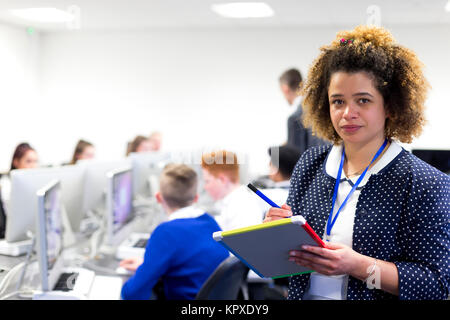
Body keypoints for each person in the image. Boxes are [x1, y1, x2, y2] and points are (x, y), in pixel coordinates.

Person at [265, 25, 449, 300]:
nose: (348, 113)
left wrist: (360, 267)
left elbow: (435, 284)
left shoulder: (425, 183)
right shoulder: (310, 165)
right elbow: (284, 269)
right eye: (337, 101)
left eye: (363, 100)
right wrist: (275, 233)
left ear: (389, 106)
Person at [119, 164, 229, 300]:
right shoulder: (210, 222)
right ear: (196, 198)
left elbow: (132, 294)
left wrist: (143, 273)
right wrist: (147, 266)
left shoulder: (165, 232)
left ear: (158, 197)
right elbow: (191, 261)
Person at [201, 150, 263, 231]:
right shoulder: (232, 203)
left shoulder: (242, 206)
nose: (205, 187)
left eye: (207, 181)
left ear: (222, 179)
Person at [279, 68, 328, 155]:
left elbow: (294, 161)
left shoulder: (294, 118)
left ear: (285, 89)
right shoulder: (320, 106)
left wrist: (275, 157)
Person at [0, 143, 39, 237]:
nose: (33, 166)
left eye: (35, 161)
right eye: (28, 161)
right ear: (16, 162)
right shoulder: (6, 185)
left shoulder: (34, 184)